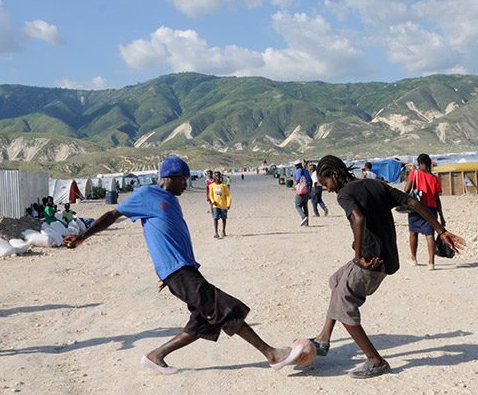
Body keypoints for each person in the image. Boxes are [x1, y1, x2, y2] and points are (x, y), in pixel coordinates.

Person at [63, 156, 304, 374]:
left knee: (202, 321)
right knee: (225, 307)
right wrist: (83, 236)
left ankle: (156, 356)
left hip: (182, 270)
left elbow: (167, 237)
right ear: (170, 177)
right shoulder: (147, 194)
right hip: (178, 272)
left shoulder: (171, 200)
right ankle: (271, 354)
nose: (185, 185)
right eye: (183, 180)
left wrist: (167, 274)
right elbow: (113, 214)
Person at [305, 155, 465, 378]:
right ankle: (323, 339)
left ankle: (376, 361)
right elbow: (413, 202)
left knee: (344, 305)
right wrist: (440, 230)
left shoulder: (345, 194)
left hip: (371, 261)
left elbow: (358, 219)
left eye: (326, 184)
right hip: (387, 258)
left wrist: (358, 256)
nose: (328, 190)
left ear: (334, 175)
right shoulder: (376, 184)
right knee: (336, 280)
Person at [405, 153, 445, 270]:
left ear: (420, 163)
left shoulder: (414, 173)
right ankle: (431, 262)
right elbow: (437, 198)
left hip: (416, 207)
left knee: (413, 232)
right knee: (429, 235)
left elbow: (407, 189)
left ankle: (413, 258)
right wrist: (442, 216)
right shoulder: (434, 178)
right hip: (431, 209)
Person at [209, 170, 231, 238]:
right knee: (215, 218)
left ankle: (223, 231)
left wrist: (228, 204)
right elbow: (211, 195)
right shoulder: (211, 186)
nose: (217, 177)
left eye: (218, 176)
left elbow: (228, 195)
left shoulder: (224, 186)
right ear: (214, 177)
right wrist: (213, 201)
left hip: (223, 205)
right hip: (216, 205)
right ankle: (216, 233)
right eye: (216, 176)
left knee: (223, 218)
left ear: (220, 176)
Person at [293, 160, 313, 227]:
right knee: (305, 206)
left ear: (296, 166)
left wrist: (295, 186)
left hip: (300, 191)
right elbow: (310, 180)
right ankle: (307, 223)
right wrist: (309, 191)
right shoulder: (306, 171)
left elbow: (298, 180)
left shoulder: (298, 171)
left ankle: (303, 217)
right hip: (307, 191)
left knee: (297, 205)